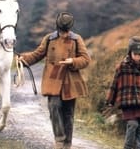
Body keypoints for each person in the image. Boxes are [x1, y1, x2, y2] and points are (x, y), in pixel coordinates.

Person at [18, 12, 91, 149]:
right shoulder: (49, 39)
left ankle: (67, 144)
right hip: (52, 81)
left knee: (68, 114)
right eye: (62, 31)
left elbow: (86, 59)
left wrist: (73, 61)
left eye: (66, 31)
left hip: (70, 81)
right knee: (54, 107)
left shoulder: (77, 39)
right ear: (58, 28)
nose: (64, 34)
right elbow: (37, 54)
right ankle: (59, 140)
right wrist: (23, 58)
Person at [106, 36, 140, 149]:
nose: (137, 56)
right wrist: (110, 100)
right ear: (130, 52)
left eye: (139, 54)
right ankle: (128, 147)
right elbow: (114, 84)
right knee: (132, 124)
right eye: (135, 54)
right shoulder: (122, 66)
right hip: (128, 101)